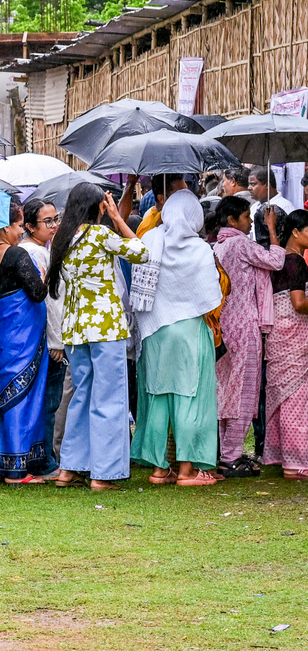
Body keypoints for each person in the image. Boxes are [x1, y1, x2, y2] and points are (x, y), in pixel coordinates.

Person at [47, 184, 149, 491]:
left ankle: (70, 468)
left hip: (76, 330)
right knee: (110, 399)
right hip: (105, 328)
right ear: (99, 207)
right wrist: (118, 220)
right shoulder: (99, 235)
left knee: (82, 396)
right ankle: (103, 473)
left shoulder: (62, 240)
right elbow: (142, 253)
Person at [129, 190, 223, 486]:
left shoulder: (150, 241)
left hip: (155, 332)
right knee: (190, 398)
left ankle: (159, 469)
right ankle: (186, 470)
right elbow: (211, 297)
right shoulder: (200, 250)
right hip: (189, 331)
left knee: (156, 397)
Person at [0, 200, 51, 484]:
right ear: (6, 226)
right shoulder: (16, 255)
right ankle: (17, 468)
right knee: (21, 397)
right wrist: (43, 275)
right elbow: (38, 293)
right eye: (19, 226)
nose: (20, 233)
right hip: (20, 337)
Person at [213, 194, 284, 476]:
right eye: (245, 218)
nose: (247, 223)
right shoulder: (240, 244)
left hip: (223, 327)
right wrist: (270, 229)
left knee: (224, 391)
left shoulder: (217, 245)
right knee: (243, 390)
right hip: (244, 325)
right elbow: (275, 261)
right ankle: (231, 455)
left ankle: (223, 451)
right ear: (233, 220)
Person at [19, 198, 68, 474]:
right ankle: (44, 461)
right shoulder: (35, 253)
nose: (54, 225)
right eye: (47, 221)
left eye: (55, 219)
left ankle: (43, 458)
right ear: (29, 226)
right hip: (48, 340)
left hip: (42, 338)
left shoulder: (42, 251)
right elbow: (48, 301)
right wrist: (56, 341)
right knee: (48, 402)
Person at [263, 209, 308, 479]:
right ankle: (296, 461)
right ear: (295, 232)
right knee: (297, 398)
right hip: (294, 333)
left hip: (279, 334)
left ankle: (282, 456)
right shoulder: (297, 264)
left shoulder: (280, 259)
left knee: (283, 394)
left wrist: (270, 227)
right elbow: (299, 303)